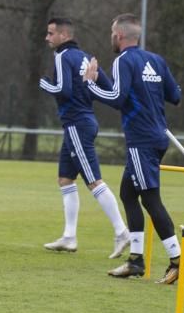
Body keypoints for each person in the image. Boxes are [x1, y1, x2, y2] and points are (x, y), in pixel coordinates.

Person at [83, 13, 184, 284]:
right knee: (128, 193)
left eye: (112, 34)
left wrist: (90, 86)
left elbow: (117, 99)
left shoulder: (123, 61)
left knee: (151, 199)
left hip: (141, 141)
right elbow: (175, 96)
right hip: (157, 136)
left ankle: (179, 261)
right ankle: (136, 261)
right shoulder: (156, 60)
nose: (111, 39)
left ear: (119, 36)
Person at [38, 17, 129, 258]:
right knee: (65, 179)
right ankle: (69, 237)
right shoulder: (87, 58)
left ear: (64, 35)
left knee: (93, 181)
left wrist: (45, 84)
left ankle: (122, 231)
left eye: (50, 33)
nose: (47, 38)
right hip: (82, 123)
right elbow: (110, 90)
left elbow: (64, 90)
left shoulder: (61, 57)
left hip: (77, 125)